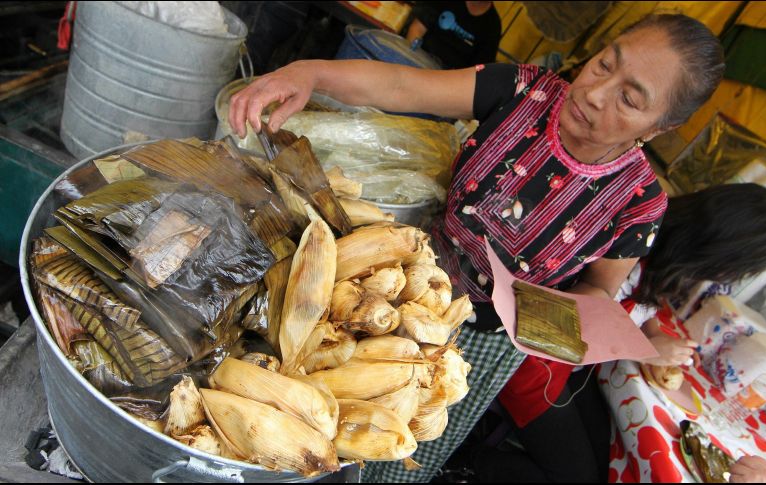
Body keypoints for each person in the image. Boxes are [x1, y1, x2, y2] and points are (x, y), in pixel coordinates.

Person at [228, 13, 725, 483]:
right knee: (295, 411)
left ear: (658, 129)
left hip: (476, 349)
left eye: (630, 100)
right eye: (604, 64)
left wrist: (539, 312)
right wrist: (308, 72)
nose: (595, 94)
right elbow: (401, 85)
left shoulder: (639, 204)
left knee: (383, 450)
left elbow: (599, 291)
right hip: (388, 286)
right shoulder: (524, 90)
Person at [487, 182, 766, 482]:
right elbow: (579, 318)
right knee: (579, 476)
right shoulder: (634, 245)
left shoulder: (663, 255)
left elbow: (639, 303)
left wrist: (654, 335)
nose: (727, 277)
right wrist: (648, 348)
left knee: (608, 457)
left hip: (565, 368)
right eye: (735, 268)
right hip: (532, 364)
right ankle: (473, 462)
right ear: (719, 250)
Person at [405, 1, 502, 69]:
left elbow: (478, 71)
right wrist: (410, 59)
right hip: (418, 59)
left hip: (447, 80)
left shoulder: (493, 26)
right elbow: (416, 29)